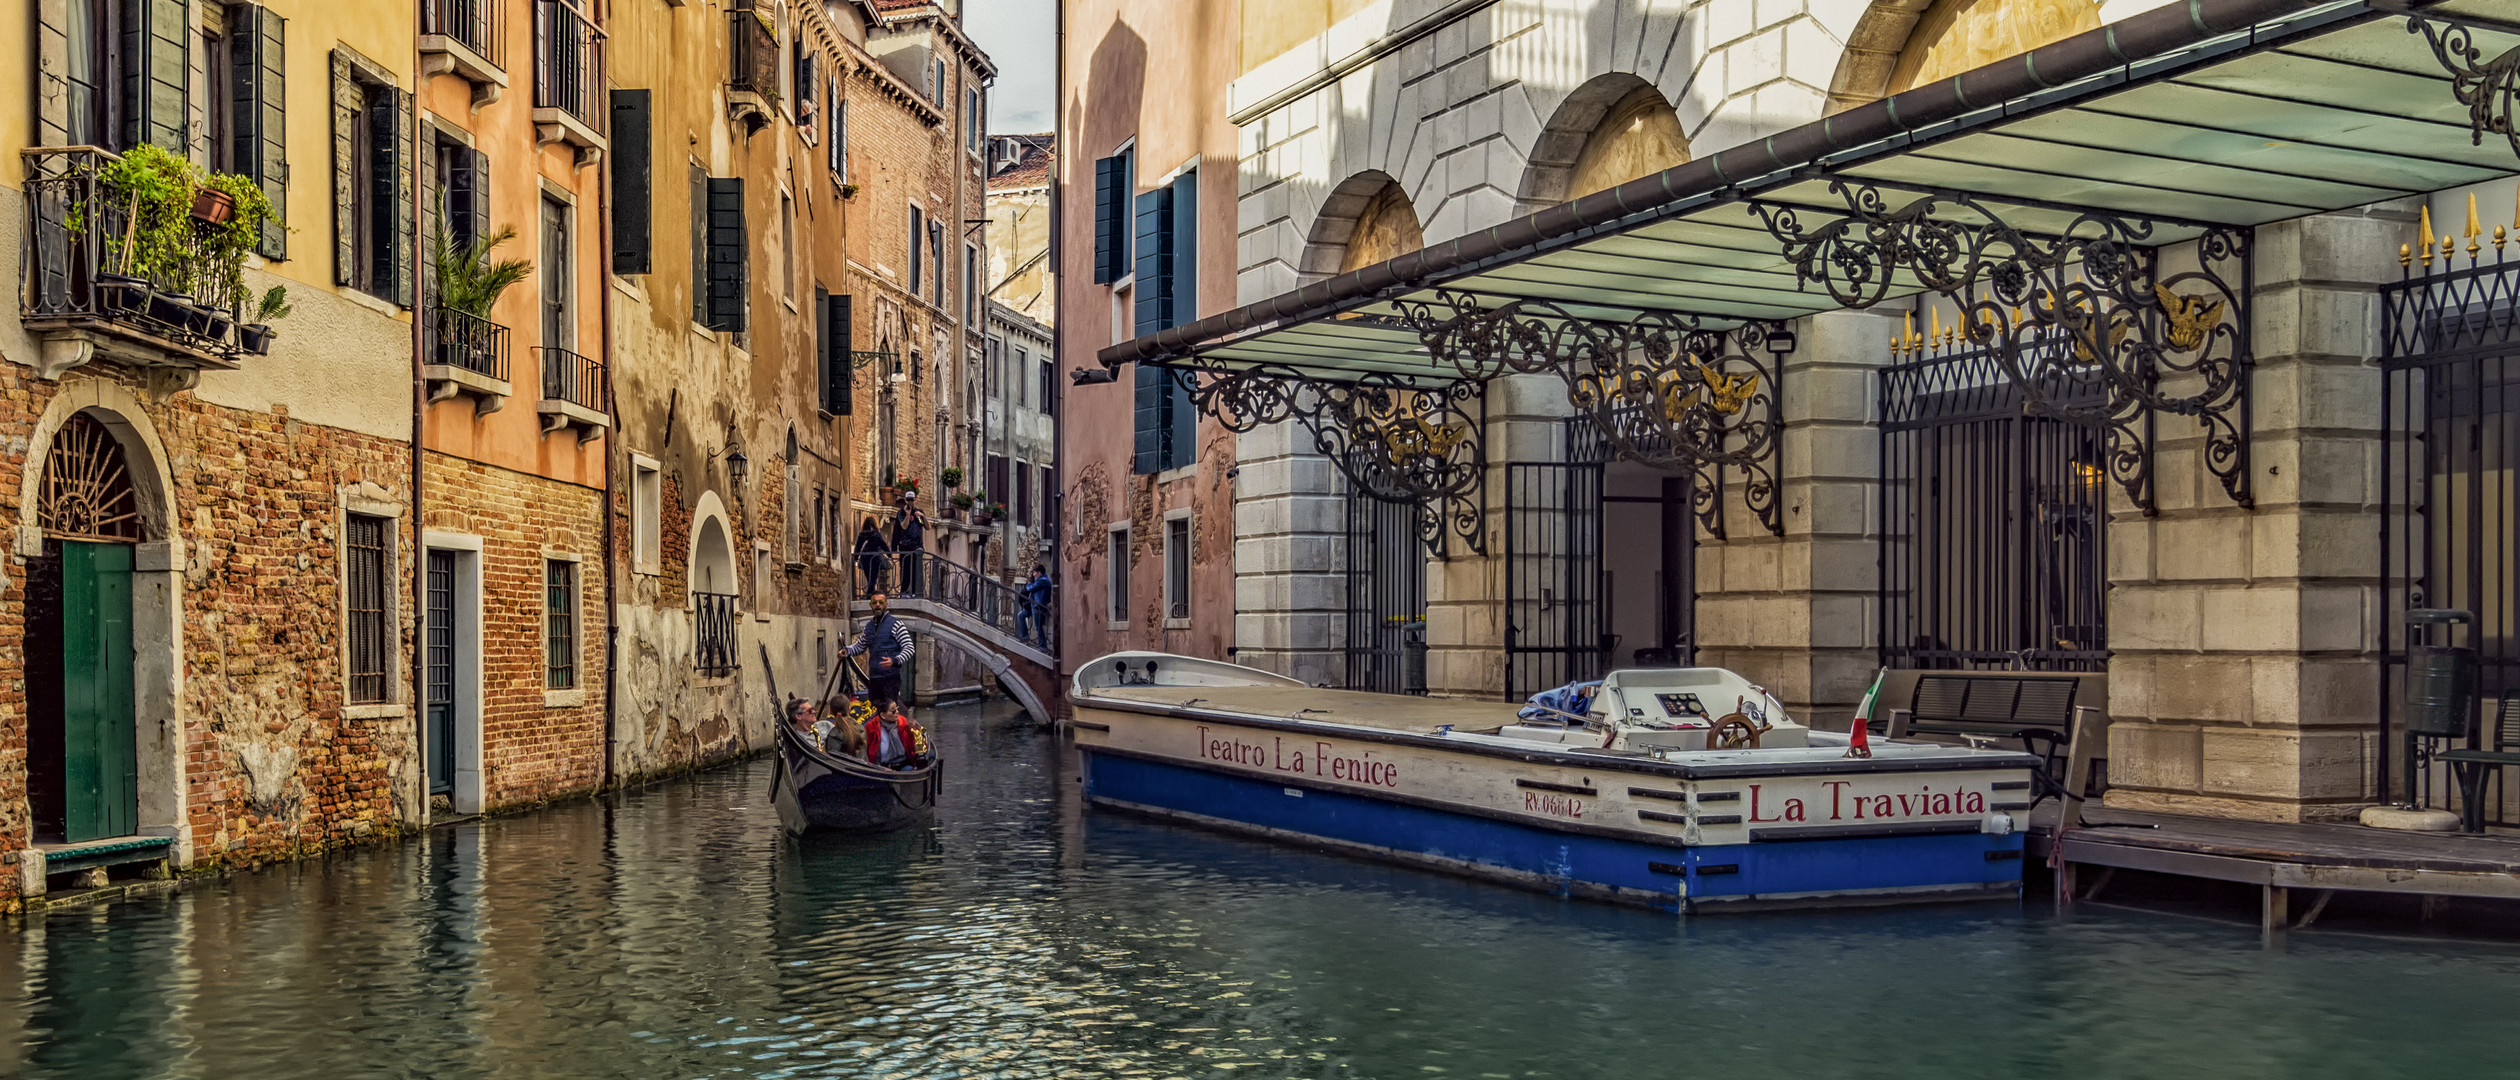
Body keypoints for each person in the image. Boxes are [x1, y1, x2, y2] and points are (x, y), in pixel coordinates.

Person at [843, 592, 916, 710]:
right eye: (874, 602)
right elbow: (860, 646)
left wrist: (894, 660)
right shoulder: (869, 627)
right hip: (874, 678)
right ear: (870, 605)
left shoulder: (896, 624)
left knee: (890, 710)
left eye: (881, 602)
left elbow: (909, 648)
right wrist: (846, 651)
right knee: (874, 710)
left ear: (886, 604)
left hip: (890, 678)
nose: (878, 605)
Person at [892, 505, 928, 597]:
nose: (910, 502)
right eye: (908, 500)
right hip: (905, 546)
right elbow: (903, 526)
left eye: (912, 499)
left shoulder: (919, 512)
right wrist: (908, 514)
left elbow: (928, 527)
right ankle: (904, 592)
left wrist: (923, 516)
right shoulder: (901, 513)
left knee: (916, 570)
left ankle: (915, 592)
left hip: (917, 546)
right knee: (905, 570)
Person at [1017, 564, 1053, 647]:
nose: (1033, 574)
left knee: (1038, 627)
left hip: (1038, 606)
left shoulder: (1043, 580)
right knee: (1020, 615)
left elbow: (1030, 588)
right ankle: (1024, 636)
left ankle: (1042, 646)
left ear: (1039, 572)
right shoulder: (1040, 580)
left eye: (1034, 572)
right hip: (1033, 605)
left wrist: (1028, 584)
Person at [853, 516, 890, 594]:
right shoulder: (877, 534)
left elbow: (858, 547)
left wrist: (855, 558)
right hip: (875, 558)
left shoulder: (861, 535)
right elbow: (883, 545)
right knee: (873, 578)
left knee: (869, 577)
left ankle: (870, 594)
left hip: (865, 559)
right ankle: (869, 594)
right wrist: (889, 555)